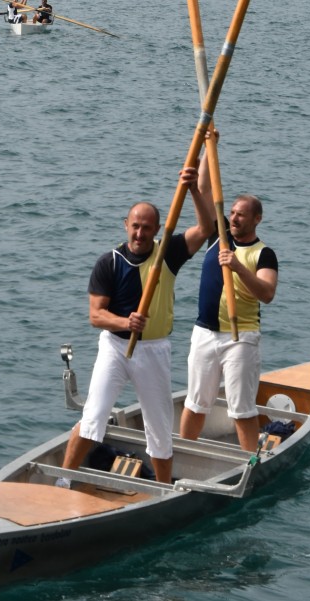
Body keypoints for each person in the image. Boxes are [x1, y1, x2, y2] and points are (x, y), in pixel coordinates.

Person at [61, 158, 215, 484]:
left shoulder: (168, 253)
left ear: (157, 229)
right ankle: (62, 480)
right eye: (135, 225)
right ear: (125, 225)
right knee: (93, 417)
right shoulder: (109, 262)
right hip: (115, 348)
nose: (140, 233)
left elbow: (206, 229)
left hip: (153, 351)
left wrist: (192, 192)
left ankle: (162, 489)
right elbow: (95, 316)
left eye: (147, 227)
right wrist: (123, 323)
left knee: (158, 427)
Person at [179, 150, 278, 452]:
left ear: (256, 219)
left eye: (241, 214)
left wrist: (237, 267)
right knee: (195, 403)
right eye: (232, 212)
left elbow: (267, 293)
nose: (234, 218)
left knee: (241, 409)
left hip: (241, 337)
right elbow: (207, 191)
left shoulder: (263, 253)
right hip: (205, 333)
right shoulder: (218, 234)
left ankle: (250, 463)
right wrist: (210, 149)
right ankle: (182, 456)